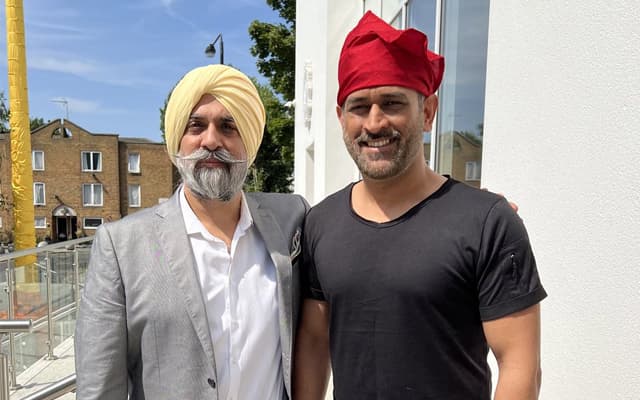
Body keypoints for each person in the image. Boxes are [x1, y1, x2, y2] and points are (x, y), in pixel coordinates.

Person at [294, 11, 547, 400]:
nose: (374, 123)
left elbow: (520, 366)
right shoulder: (319, 224)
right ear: (341, 117)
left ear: (427, 112)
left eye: (393, 103)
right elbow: (313, 342)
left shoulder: (486, 224)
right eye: (359, 106)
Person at [75, 64, 308, 400]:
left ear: (250, 144)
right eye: (196, 126)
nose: (211, 140)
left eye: (229, 126)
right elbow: (100, 387)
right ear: (177, 143)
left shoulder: (291, 221)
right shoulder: (122, 246)